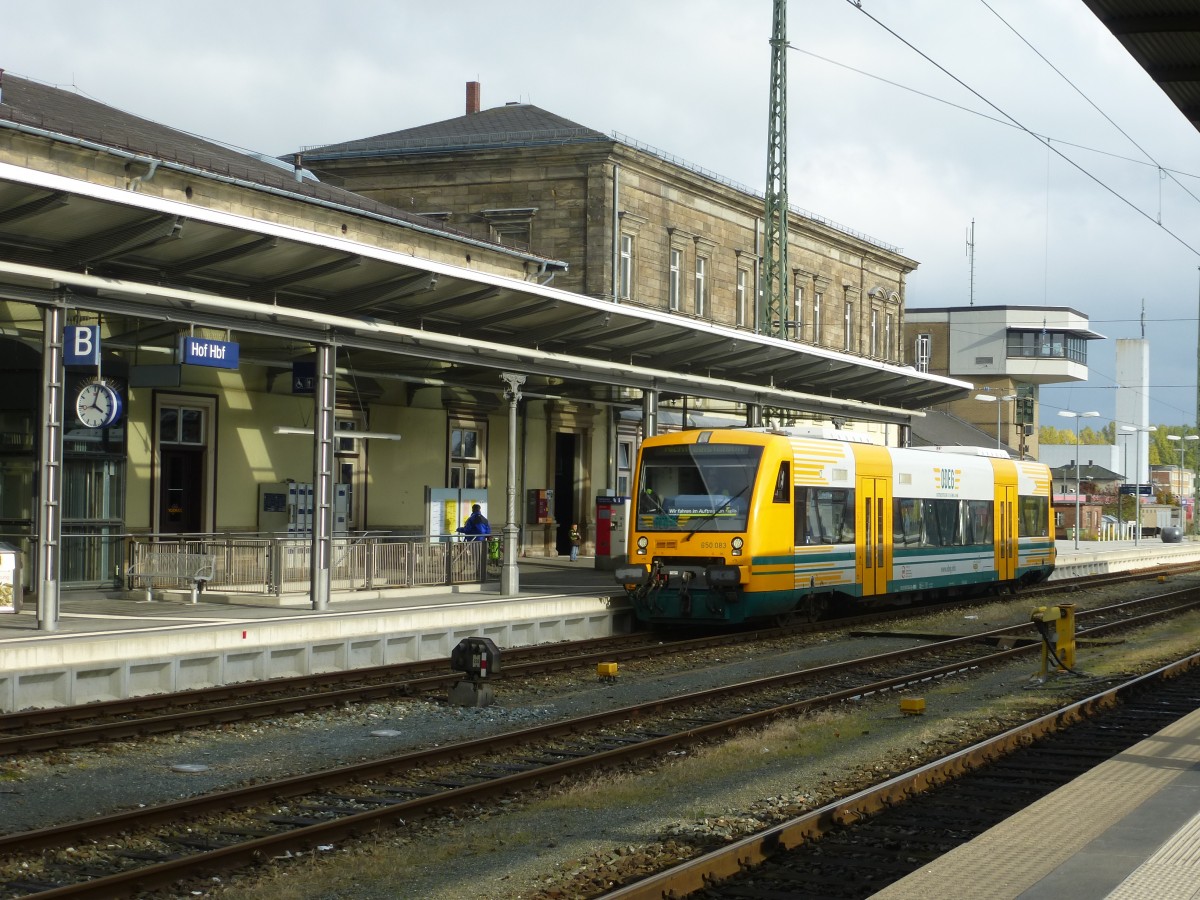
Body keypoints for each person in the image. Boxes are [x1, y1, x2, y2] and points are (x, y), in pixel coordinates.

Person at [457, 504, 491, 579]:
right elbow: (488, 530)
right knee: (480, 556)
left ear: (473, 510)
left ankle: (478, 572)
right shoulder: (485, 519)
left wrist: (459, 529)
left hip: (473, 540)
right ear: (480, 509)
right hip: (482, 541)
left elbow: (467, 529)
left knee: (475, 557)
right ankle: (482, 572)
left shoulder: (471, 518)